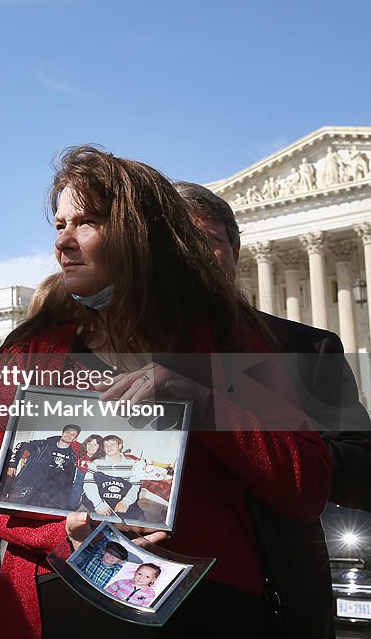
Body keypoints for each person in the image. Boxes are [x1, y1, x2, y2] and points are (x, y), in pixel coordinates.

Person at [0, 146, 331, 639]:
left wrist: (199, 401)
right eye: (58, 225)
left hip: (206, 604)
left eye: (86, 223)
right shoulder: (31, 349)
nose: (63, 244)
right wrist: (64, 532)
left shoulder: (228, 339)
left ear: (142, 234)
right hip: (60, 598)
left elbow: (305, 485)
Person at [177, 180, 371, 638]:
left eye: (206, 242)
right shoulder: (113, 354)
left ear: (235, 252)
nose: (192, 258)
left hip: (274, 606)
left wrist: (260, 434)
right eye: (175, 246)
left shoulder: (304, 350)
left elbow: (363, 473)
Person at [3, 424, 80, 509]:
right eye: (67, 432)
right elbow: (20, 445)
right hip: (30, 486)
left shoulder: (75, 454)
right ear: (62, 433)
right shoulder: (43, 444)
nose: (69, 435)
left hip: (53, 494)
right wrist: (12, 465)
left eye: (72, 435)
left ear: (75, 439)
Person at [82, 435, 145, 519]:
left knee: (131, 523)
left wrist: (126, 502)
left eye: (112, 444)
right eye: (106, 445)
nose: (109, 447)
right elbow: (88, 485)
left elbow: (135, 487)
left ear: (120, 446)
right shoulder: (96, 463)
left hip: (122, 499)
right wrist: (98, 504)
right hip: (100, 499)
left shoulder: (133, 464)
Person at [70, 433, 104, 510]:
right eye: (89, 444)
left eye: (95, 445)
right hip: (79, 482)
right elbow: (72, 442)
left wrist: (134, 459)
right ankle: (70, 510)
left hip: (92, 482)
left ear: (100, 447)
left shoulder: (101, 459)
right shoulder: (80, 452)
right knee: (75, 491)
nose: (91, 447)